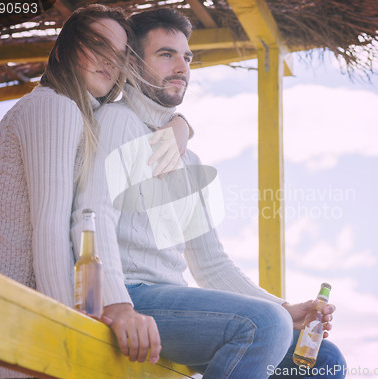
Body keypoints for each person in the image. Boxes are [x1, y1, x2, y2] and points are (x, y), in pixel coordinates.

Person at [71, 8, 346, 379]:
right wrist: (117, 302)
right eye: (166, 54)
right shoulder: (119, 121)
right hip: (131, 295)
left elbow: (212, 264)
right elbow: (94, 216)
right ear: (133, 63)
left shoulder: (188, 157)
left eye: (186, 57)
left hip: (173, 303)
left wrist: (284, 309)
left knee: (325, 360)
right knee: (263, 327)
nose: (182, 67)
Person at [0, 4, 190, 378]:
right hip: (17, 325)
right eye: (97, 45)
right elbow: (51, 232)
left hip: (12, 319)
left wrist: (181, 125)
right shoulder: (55, 108)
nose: (109, 61)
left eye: (120, 54)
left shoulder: (72, 113)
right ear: (63, 49)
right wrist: (74, 331)